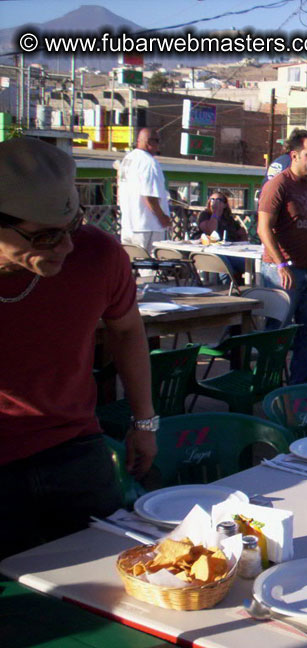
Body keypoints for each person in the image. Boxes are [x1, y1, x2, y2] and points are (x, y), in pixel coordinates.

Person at [0, 138, 157, 559]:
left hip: (76, 447)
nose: (67, 247)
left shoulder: (97, 254)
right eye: (46, 236)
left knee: (111, 572)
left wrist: (144, 422)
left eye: (72, 227)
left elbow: (128, 331)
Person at [257, 129, 307, 384]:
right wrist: (281, 264)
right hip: (282, 270)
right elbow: (263, 228)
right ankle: (267, 385)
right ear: (294, 155)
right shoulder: (278, 185)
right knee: (277, 333)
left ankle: (299, 387)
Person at [117, 127, 171, 253]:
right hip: (147, 226)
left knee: (130, 263)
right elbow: (150, 197)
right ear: (149, 142)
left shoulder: (127, 159)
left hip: (128, 225)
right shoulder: (149, 162)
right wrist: (163, 218)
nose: (158, 145)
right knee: (148, 264)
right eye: (157, 141)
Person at [198, 191, 248, 278]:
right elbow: (211, 231)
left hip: (232, 251)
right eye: (212, 199)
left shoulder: (228, 219)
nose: (214, 202)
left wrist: (242, 238)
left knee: (250, 263)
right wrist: (215, 213)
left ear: (224, 205)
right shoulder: (205, 215)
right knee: (227, 265)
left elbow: (242, 234)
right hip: (213, 253)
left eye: (218, 200)